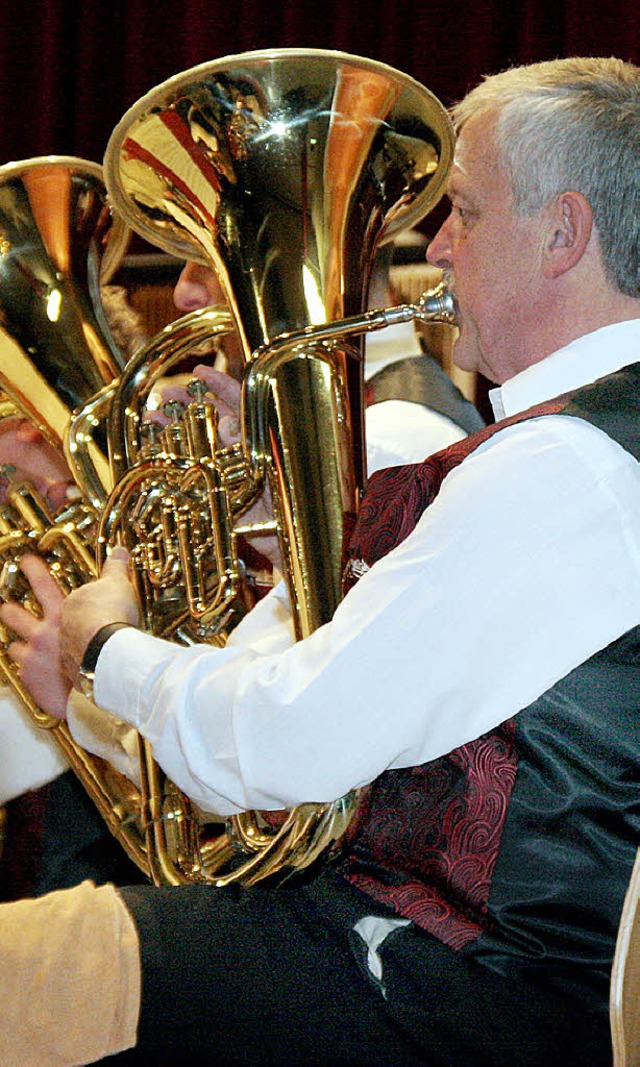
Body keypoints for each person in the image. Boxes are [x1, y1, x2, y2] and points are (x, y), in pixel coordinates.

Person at [0, 54, 639, 1067]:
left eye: (463, 212)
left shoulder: (565, 465)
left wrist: (103, 649)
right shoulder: (578, 446)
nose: (435, 245)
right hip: (426, 951)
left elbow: (290, 737)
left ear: (561, 233)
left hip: (462, 991)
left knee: (19, 973)